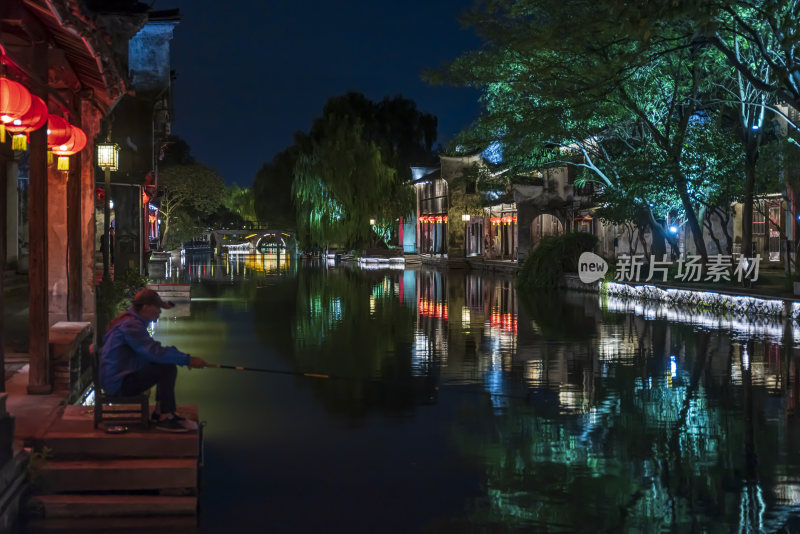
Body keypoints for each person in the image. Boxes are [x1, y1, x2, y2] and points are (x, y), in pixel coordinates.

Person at [99, 288, 208, 432]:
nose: (157, 318)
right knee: (166, 367)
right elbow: (153, 352)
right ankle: (165, 416)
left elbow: (152, 352)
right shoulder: (131, 326)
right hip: (119, 384)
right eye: (156, 312)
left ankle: (160, 412)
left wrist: (161, 305)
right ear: (145, 307)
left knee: (165, 362)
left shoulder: (126, 319)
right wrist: (187, 359)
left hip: (118, 375)